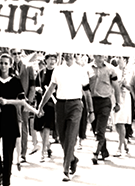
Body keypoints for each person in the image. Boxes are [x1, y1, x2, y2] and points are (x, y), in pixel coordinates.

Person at [38, 53, 94, 182]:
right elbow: (51, 88)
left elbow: (86, 91)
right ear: (63, 56)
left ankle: (66, 169)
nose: (68, 56)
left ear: (74, 56)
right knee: (62, 138)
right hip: (61, 105)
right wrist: (41, 105)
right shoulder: (58, 70)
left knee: (70, 137)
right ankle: (72, 159)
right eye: (66, 54)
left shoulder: (80, 70)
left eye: (71, 54)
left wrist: (91, 111)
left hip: (75, 105)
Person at [0, 53, 38, 186]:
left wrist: (6, 102)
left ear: (10, 65)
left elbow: (21, 101)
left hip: (10, 117)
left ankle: (6, 181)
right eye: (1, 63)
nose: (3, 66)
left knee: (8, 152)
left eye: (6, 63)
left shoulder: (15, 81)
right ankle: (0, 169)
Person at [87, 54, 121, 164]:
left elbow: (116, 87)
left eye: (102, 56)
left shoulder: (111, 69)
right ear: (94, 56)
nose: (100, 58)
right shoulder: (87, 69)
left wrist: (118, 102)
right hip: (92, 102)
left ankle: (95, 154)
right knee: (95, 128)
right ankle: (104, 151)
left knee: (100, 129)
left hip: (105, 101)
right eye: (97, 55)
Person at [9, 48, 36, 164]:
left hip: (24, 101)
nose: (16, 56)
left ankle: (23, 153)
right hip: (10, 102)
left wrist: (29, 102)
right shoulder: (7, 67)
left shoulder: (28, 67)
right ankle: (11, 152)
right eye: (14, 54)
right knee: (11, 127)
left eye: (19, 53)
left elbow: (32, 86)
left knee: (24, 127)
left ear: (22, 54)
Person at [34, 54, 57, 162]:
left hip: (51, 104)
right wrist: (37, 89)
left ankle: (42, 152)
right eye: (50, 59)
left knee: (47, 127)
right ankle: (47, 146)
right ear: (46, 60)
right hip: (40, 102)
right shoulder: (40, 73)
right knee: (39, 128)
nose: (52, 61)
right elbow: (35, 85)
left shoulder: (57, 72)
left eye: (54, 59)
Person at [112, 57, 132, 157]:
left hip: (124, 97)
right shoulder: (114, 70)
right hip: (115, 97)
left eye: (122, 59)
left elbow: (132, 87)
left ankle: (120, 148)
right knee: (116, 123)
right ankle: (124, 142)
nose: (120, 60)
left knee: (121, 122)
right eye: (119, 58)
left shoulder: (129, 71)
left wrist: (125, 85)